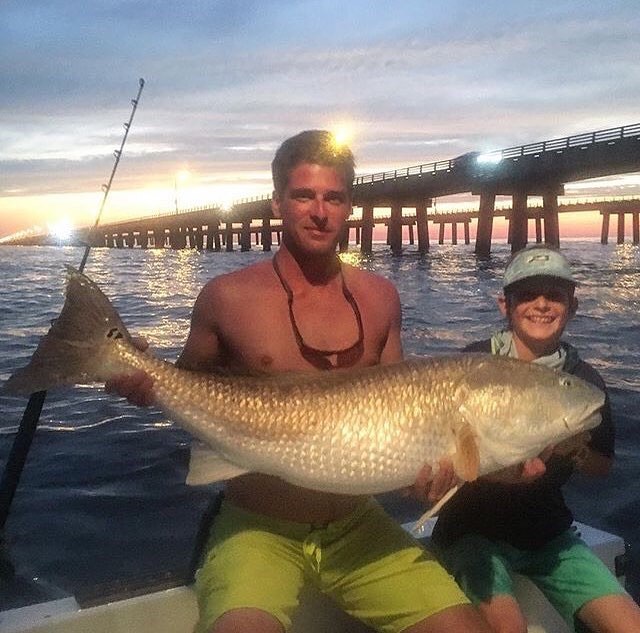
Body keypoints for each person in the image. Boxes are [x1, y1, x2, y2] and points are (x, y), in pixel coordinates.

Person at [106, 130, 491, 633]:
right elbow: (183, 386)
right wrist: (139, 378)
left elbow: (404, 410)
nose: (319, 211)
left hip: (358, 524)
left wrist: (433, 472)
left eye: (333, 197)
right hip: (257, 525)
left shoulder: (380, 297)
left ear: (349, 206)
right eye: (304, 195)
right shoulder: (227, 297)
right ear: (277, 202)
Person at [431, 244, 640, 633]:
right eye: (527, 294)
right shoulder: (473, 365)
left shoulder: (584, 383)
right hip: (470, 528)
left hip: (547, 532)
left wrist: (571, 448)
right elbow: (452, 452)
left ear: (572, 307)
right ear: (504, 305)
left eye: (554, 295)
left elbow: (602, 464)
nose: (541, 304)